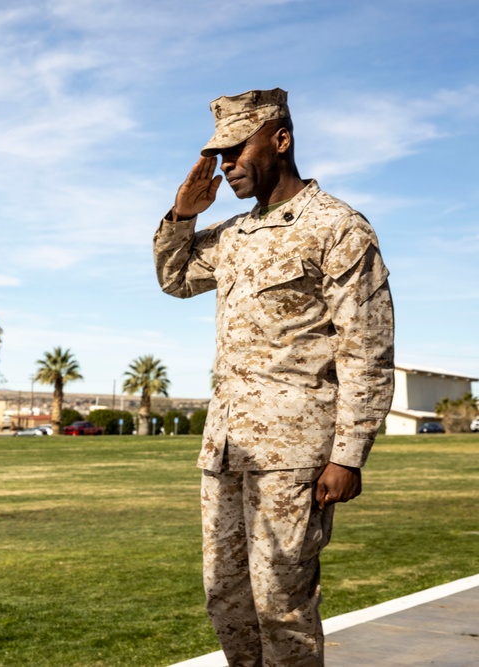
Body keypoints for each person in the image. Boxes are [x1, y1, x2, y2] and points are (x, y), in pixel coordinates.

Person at [153, 89, 394, 666]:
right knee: (227, 600)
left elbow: (368, 347)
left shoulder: (337, 228)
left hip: (296, 454)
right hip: (227, 448)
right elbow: (175, 276)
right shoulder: (233, 235)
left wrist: (349, 454)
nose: (227, 163)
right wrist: (184, 214)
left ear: (281, 140)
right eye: (219, 152)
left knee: (282, 605)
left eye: (237, 148)